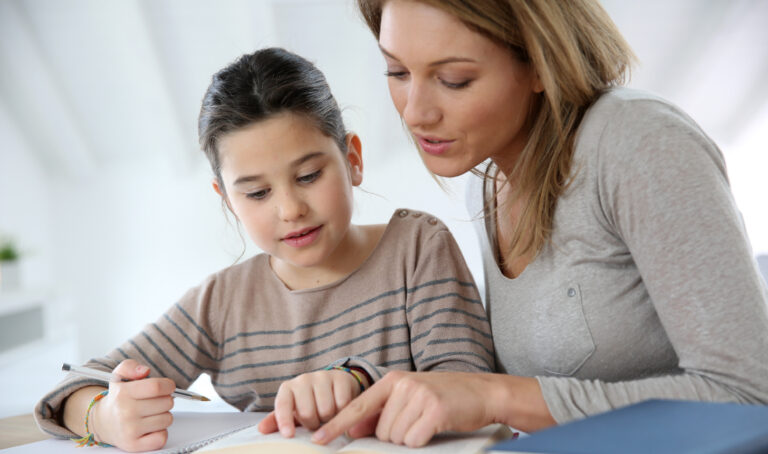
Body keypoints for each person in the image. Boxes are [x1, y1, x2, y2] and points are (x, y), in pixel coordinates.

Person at [309, 0, 768, 448]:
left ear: (539, 62)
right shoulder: (488, 184)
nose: (414, 112)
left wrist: (498, 396)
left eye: (454, 80)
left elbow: (749, 395)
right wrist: (358, 380)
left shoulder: (639, 143)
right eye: (398, 72)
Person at [33, 47, 495, 452]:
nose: (290, 209)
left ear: (352, 159)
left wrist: (358, 380)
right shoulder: (223, 301)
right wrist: (105, 416)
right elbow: (76, 386)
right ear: (227, 200)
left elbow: (472, 387)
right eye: (256, 194)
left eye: (309, 176)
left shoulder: (417, 248)